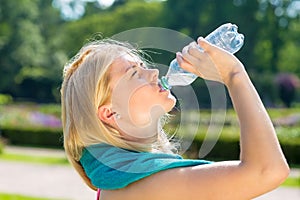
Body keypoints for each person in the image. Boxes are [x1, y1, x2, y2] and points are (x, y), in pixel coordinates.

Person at [60, 37, 289, 200]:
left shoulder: (120, 177)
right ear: (109, 113)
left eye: (143, 66)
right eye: (134, 73)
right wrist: (234, 75)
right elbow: (267, 171)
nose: (153, 73)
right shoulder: (149, 184)